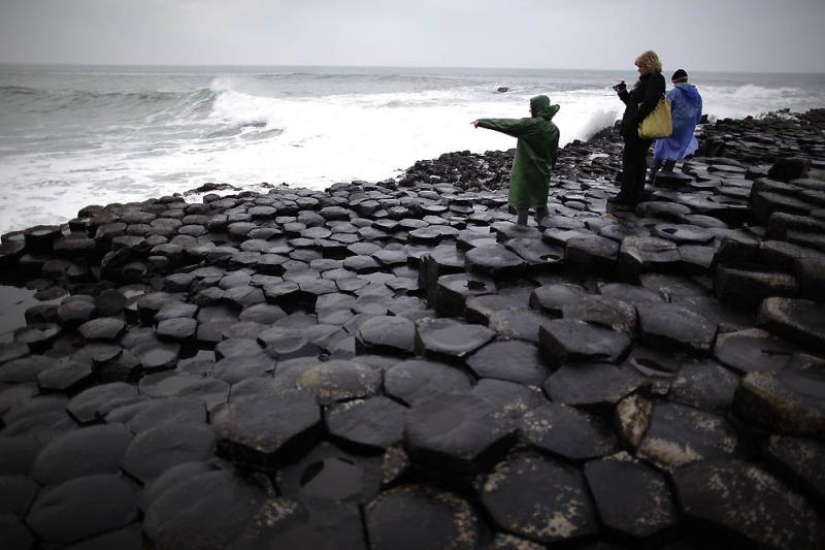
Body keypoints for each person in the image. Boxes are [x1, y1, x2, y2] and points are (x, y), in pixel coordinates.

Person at [472, 95, 560, 227]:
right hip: (543, 170)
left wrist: (482, 122)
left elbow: (506, 124)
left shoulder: (530, 125)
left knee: (522, 202)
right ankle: (546, 230)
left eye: (531, 107)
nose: (529, 110)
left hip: (526, 170)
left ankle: (521, 230)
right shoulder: (554, 129)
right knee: (540, 202)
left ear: (538, 108)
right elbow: (554, 153)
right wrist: (550, 167)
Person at [609, 50, 666, 208]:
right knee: (638, 161)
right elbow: (633, 104)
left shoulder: (656, 79)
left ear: (649, 65)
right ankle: (636, 193)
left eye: (640, 66)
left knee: (630, 161)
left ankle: (626, 195)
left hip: (640, 128)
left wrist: (635, 120)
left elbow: (649, 103)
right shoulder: (646, 82)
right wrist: (623, 93)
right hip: (636, 127)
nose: (638, 70)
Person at [649, 68, 703, 181]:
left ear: (676, 81)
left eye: (674, 83)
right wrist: (694, 124)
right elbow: (698, 114)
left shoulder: (674, 93)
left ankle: (653, 174)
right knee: (676, 150)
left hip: (670, 125)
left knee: (660, 148)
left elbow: (664, 110)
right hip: (686, 128)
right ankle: (667, 172)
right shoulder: (697, 95)